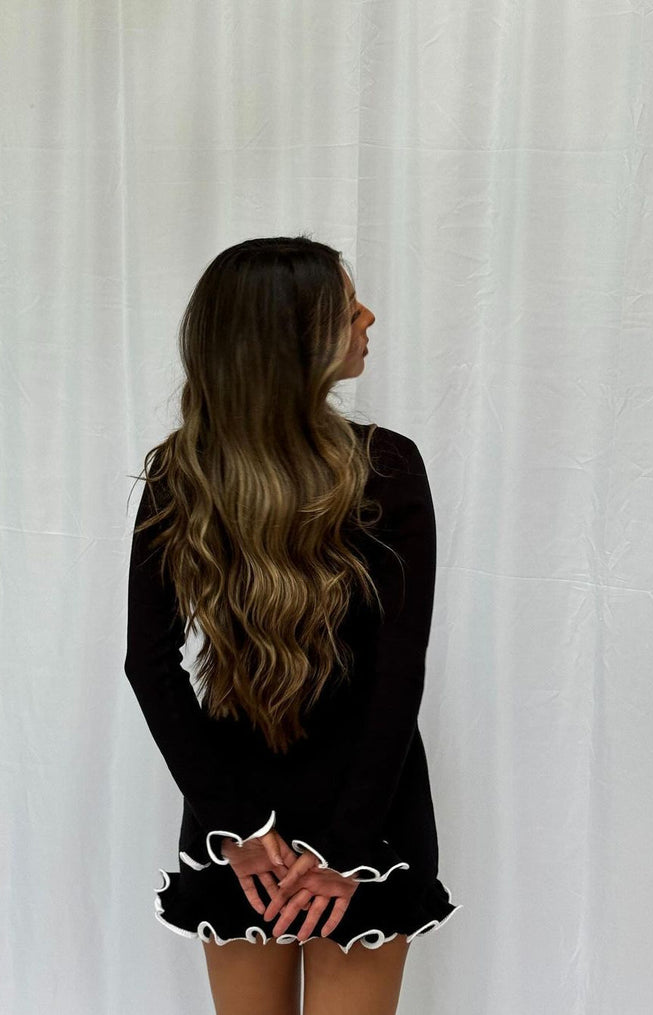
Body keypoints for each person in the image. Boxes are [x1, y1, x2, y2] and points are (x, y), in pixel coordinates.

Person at [123, 235, 462, 1015]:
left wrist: (239, 826)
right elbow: (395, 673)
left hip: (268, 814)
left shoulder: (183, 474)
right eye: (347, 309)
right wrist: (328, 841)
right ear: (292, 339)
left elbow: (151, 664)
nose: (368, 317)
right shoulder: (384, 467)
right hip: (345, 812)